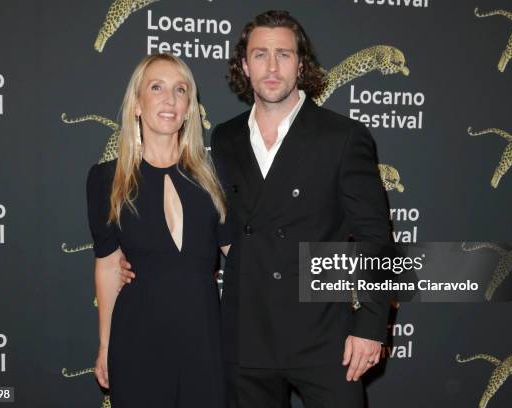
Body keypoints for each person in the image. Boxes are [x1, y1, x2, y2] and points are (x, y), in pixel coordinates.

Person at [120, 10, 393, 408]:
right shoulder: (225, 138)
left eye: (283, 54)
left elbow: (376, 239)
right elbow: (211, 225)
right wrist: (146, 260)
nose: (272, 66)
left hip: (323, 337)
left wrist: (370, 326)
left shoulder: (343, 137)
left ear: (301, 64)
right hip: (245, 338)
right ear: (244, 65)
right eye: (260, 54)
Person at [86, 53, 230, 407]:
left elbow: (241, 255)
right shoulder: (108, 178)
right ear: (137, 104)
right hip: (137, 338)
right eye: (157, 88)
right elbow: (107, 265)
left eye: (181, 90)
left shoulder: (215, 176)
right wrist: (105, 344)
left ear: (189, 107)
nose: (170, 99)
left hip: (205, 338)